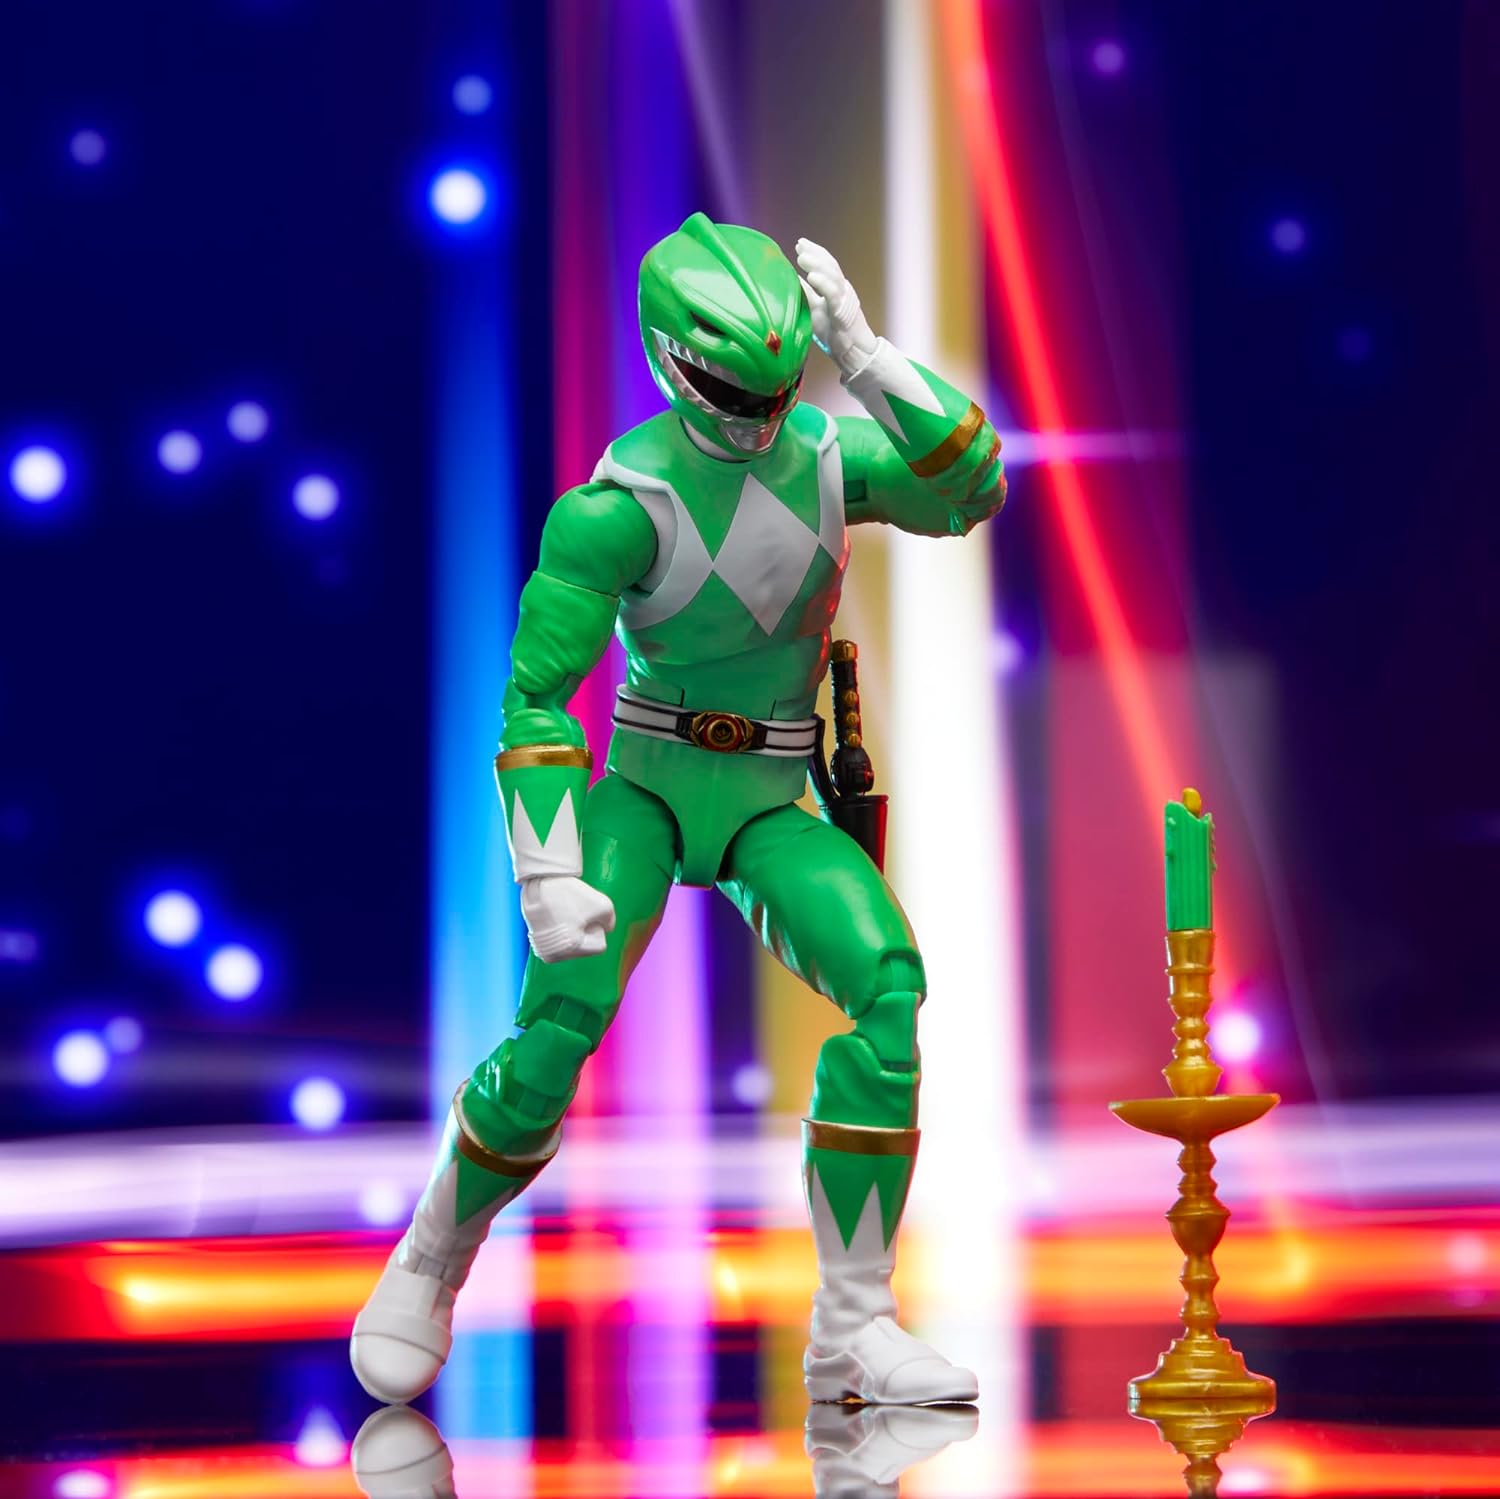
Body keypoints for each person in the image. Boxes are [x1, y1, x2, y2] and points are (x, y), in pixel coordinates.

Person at [351, 213, 1006, 1406]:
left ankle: (855, 1322)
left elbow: (970, 486)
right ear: (672, 359)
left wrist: (866, 357)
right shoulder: (615, 506)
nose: (757, 419)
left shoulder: (826, 456)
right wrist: (548, 870)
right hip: (646, 792)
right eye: (735, 393)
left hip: (769, 799)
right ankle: (435, 1246)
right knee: (562, 1017)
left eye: (777, 391)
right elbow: (538, 696)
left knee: (889, 990)